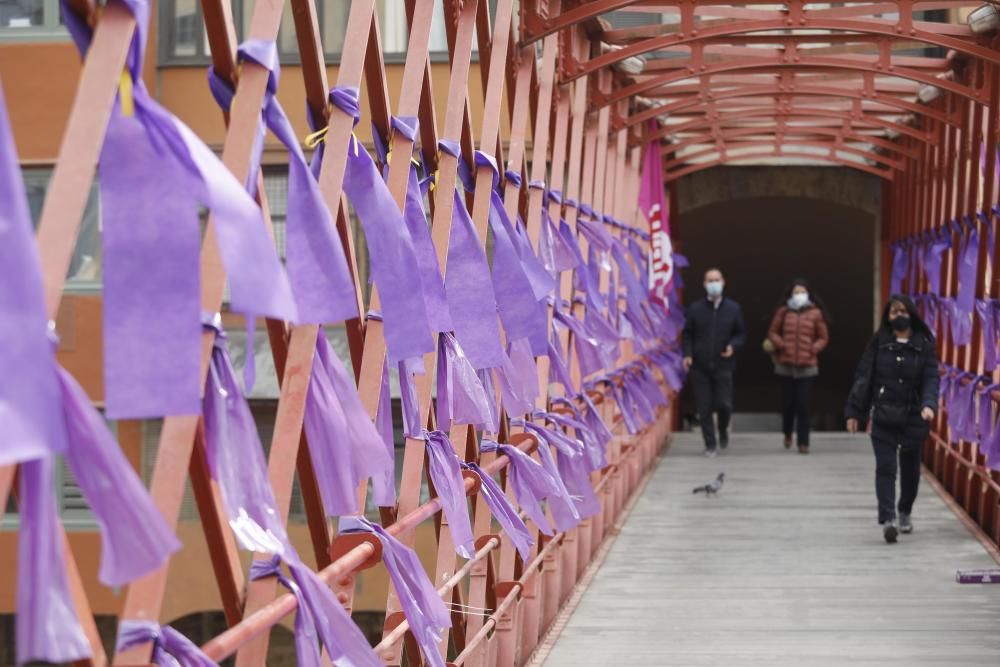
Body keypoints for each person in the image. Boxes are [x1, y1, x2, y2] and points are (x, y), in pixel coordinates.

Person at [845, 295, 939, 544]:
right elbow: (864, 377)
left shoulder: (925, 344)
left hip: (913, 416)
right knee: (886, 468)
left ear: (912, 314)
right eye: (893, 312)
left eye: (902, 311)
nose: (898, 316)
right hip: (884, 415)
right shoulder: (879, 343)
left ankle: (904, 510)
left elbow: (931, 378)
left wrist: (929, 405)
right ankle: (888, 519)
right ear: (887, 317)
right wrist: (855, 412)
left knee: (910, 471)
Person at [683, 268, 747, 457]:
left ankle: (723, 430)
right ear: (704, 284)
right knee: (704, 408)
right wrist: (687, 354)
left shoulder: (733, 309)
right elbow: (687, 334)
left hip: (723, 364)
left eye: (716, 280)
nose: (713, 284)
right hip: (700, 365)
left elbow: (741, 332)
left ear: (723, 282)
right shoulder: (695, 309)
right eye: (710, 280)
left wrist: (733, 346)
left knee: (724, 404)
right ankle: (710, 444)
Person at [767, 279, 830, 454]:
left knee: (804, 405)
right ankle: (787, 433)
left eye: (802, 292)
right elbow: (772, 331)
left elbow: (823, 337)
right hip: (785, 366)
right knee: (788, 404)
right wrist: (782, 344)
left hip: (807, 366)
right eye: (796, 292)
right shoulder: (783, 312)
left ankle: (804, 442)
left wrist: (813, 348)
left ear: (808, 294)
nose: (799, 295)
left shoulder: (816, 313)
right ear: (790, 295)